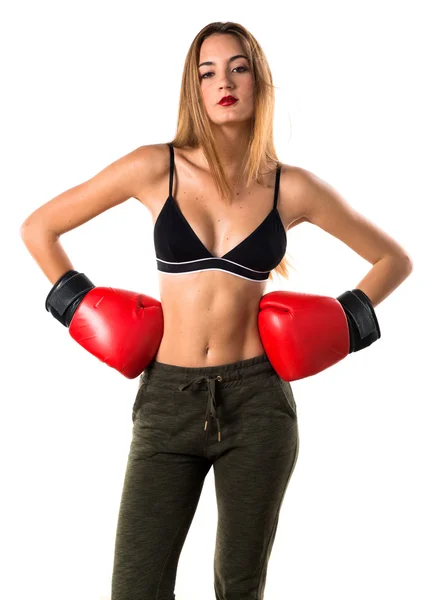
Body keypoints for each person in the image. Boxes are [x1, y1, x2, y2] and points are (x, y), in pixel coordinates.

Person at [20, 21, 413, 600]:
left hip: (258, 403)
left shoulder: (291, 188)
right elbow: (39, 228)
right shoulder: (156, 167)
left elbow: (392, 260)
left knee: (239, 589)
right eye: (207, 72)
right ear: (194, 89)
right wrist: (81, 307)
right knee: (135, 587)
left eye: (238, 67)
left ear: (259, 81)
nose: (223, 81)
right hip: (166, 402)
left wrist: (341, 327)